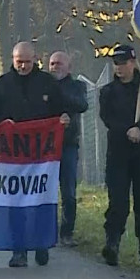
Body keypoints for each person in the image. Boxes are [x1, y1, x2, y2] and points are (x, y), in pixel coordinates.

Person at [0, 42, 68, 268]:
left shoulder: (47, 83)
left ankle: (41, 243)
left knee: (40, 199)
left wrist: (63, 120)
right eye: (19, 61)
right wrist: (2, 124)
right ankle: (19, 249)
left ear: (36, 59)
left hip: (42, 155)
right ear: (12, 59)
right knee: (15, 202)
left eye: (27, 61)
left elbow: (60, 110)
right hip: (12, 154)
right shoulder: (1, 85)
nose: (23, 66)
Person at [99, 44, 140, 266]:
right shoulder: (107, 92)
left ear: (133, 63)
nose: (119, 68)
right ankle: (112, 243)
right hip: (118, 154)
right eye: (116, 63)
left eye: (123, 63)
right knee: (118, 201)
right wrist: (128, 129)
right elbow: (107, 118)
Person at [48, 50, 89, 247]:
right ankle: (46, 230)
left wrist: (58, 93)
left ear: (69, 67)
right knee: (45, 191)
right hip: (45, 147)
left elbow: (81, 105)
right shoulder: (43, 85)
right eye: (52, 64)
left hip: (68, 145)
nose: (55, 67)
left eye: (59, 64)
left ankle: (67, 232)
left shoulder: (76, 86)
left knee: (69, 191)